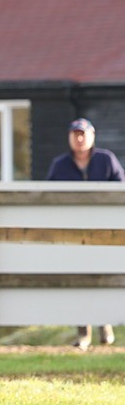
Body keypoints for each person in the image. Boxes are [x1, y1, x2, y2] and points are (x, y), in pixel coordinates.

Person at [45, 118, 123, 349]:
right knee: (77, 278)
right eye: (75, 134)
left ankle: (104, 325)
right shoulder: (60, 165)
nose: (79, 139)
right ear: (70, 137)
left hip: (104, 232)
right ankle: (83, 333)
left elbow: (121, 188)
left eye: (83, 134)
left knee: (103, 277)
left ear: (92, 136)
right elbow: (48, 196)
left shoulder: (106, 160)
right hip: (74, 232)